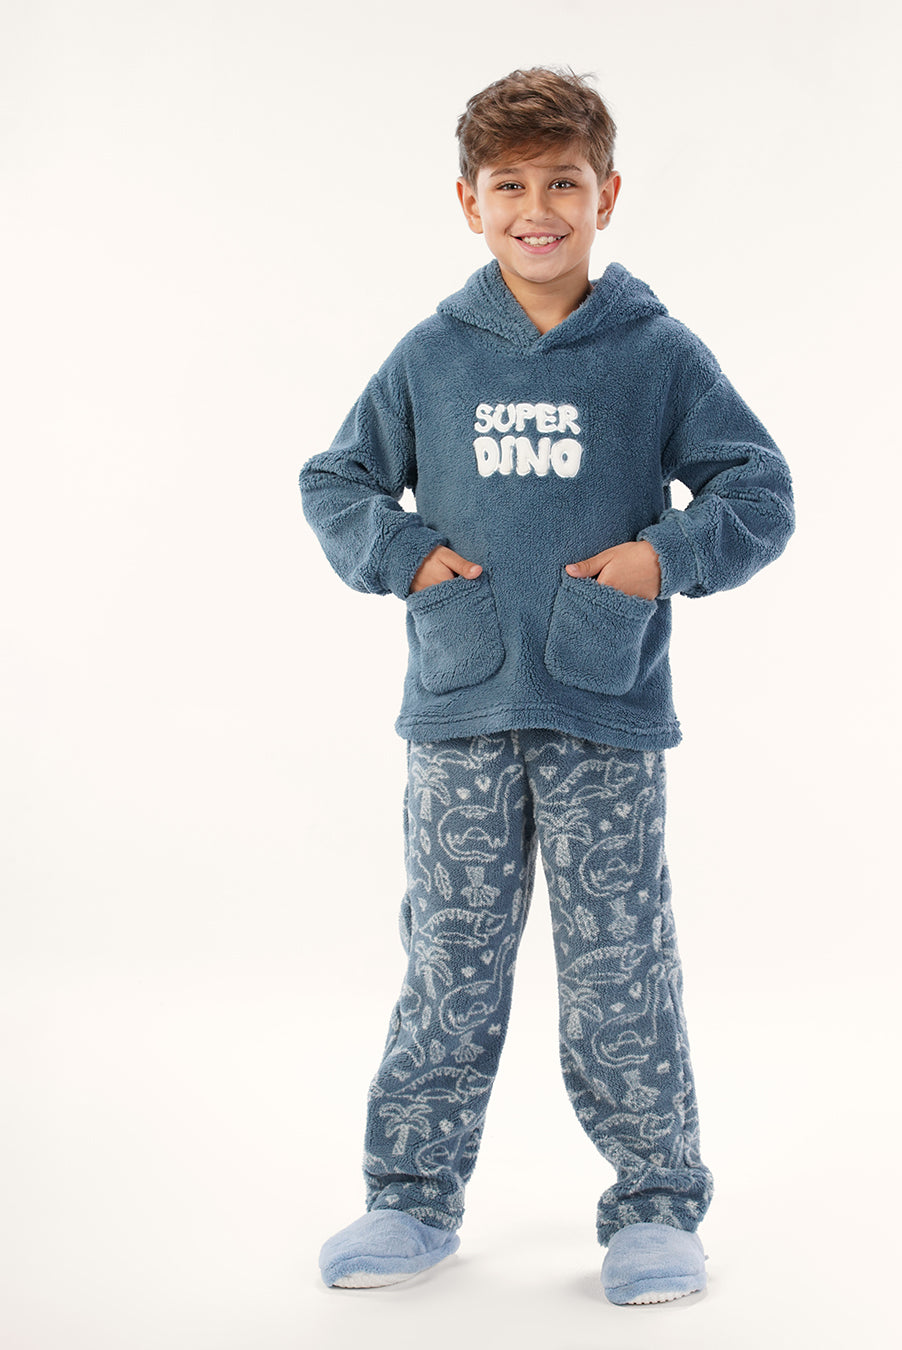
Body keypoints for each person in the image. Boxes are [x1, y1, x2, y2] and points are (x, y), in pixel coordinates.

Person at [300, 66, 795, 1306]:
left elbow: (759, 490)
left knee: (621, 960)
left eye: (563, 183)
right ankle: (410, 1197)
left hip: (602, 712)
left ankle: (656, 1205)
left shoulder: (655, 354)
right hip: (461, 710)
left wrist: (659, 561)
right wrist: (410, 557)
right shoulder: (432, 355)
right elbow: (337, 481)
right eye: (510, 185)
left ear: (606, 195)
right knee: (449, 957)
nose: (538, 209)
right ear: (468, 201)